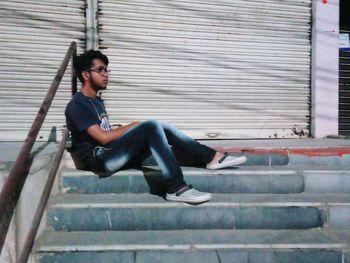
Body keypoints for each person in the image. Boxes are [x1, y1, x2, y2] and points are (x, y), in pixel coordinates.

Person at [65, 50, 247, 204]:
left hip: (111, 152)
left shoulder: (96, 101)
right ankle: (176, 187)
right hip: (101, 162)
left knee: (158, 126)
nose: (106, 74)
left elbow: (107, 135)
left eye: (106, 69)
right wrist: (133, 126)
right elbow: (103, 138)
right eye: (100, 70)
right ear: (85, 75)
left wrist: (131, 131)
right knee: (150, 126)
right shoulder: (78, 105)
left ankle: (211, 157)